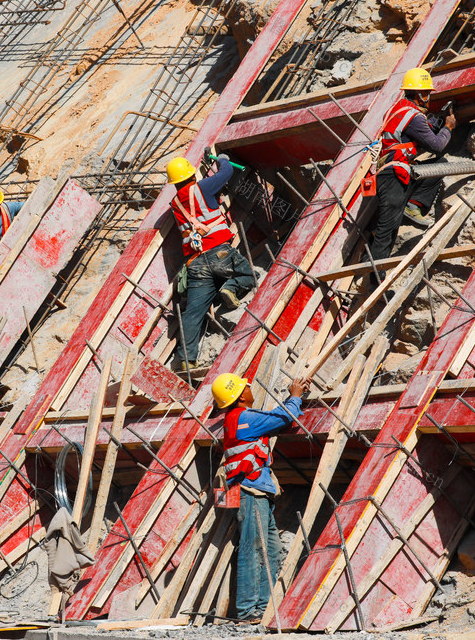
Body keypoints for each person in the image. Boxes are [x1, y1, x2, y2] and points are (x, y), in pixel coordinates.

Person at [212, 371, 310, 622]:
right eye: (245, 387)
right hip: (250, 492)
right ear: (240, 396)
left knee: (271, 548)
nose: (249, 388)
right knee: (252, 548)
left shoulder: (240, 418)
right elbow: (281, 418)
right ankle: (247, 610)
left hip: (257, 490)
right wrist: (295, 396)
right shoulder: (244, 418)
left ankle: (263, 606)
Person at [168, 154, 255, 371]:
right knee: (249, 275)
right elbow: (227, 173)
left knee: (194, 312)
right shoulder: (201, 188)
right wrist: (223, 159)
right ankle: (230, 288)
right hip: (219, 253)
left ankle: (186, 359)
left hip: (195, 262)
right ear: (191, 174)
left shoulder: (175, 203)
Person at [368, 67, 457, 278]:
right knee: (387, 230)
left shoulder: (398, 109)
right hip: (394, 175)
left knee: (439, 166)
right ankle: (375, 278)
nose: (429, 97)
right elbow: (436, 145)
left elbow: (408, 137)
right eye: (427, 93)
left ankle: (413, 205)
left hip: (393, 172)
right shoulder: (414, 117)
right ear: (419, 94)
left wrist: (430, 126)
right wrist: (448, 128)